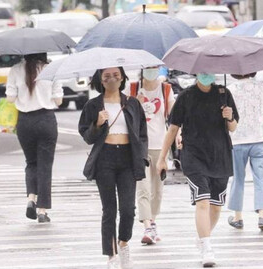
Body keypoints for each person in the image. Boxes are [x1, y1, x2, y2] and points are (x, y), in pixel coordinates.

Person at [156, 73, 239, 267]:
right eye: (203, 71)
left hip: (220, 155)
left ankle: (203, 237)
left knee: (216, 205)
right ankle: (207, 247)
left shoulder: (223, 93)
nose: (207, 74)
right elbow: (173, 129)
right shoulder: (186, 96)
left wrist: (229, 116)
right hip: (194, 156)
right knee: (202, 201)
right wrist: (162, 158)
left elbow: (233, 127)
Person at [79, 67, 148, 269]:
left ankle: (124, 243)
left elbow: (142, 133)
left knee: (128, 209)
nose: (112, 79)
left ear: (123, 78)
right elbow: (87, 136)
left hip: (128, 158)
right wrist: (98, 124)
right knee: (109, 210)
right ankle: (111, 256)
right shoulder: (93, 105)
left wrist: (142, 156)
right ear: (100, 79)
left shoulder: (132, 103)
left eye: (116, 75)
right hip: (105, 159)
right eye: (107, 76)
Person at [5, 53, 63, 223]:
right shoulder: (52, 69)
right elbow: (58, 101)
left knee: (31, 163)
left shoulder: (15, 70)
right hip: (46, 120)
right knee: (45, 165)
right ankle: (42, 211)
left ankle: (31, 198)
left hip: (24, 121)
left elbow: (10, 98)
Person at [126, 66, 174, 245]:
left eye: (155, 67)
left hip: (160, 146)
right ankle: (147, 226)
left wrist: (178, 138)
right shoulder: (132, 88)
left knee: (157, 191)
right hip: (139, 146)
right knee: (143, 188)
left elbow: (174, 118)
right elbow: (125, 117)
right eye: (148, 68)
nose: (151, 70)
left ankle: (153, 222)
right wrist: (134, 103)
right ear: (142, 69)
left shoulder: (166, 89)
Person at [226, 73, 263, 232]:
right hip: (259, 139)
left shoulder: (230, 90)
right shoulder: (262, 88)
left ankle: (238, 217)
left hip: (238, 139)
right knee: (261, 178)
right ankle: (262, 215)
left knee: (238, 178)